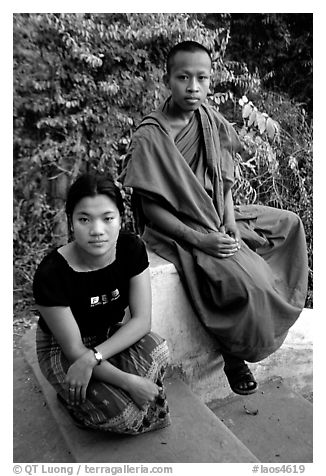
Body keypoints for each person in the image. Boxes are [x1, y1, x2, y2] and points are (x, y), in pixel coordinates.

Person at [122, 41, 308, 396]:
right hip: (177, 229)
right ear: (167, 80)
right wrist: (203, 240)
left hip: (216, 215)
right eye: (183, 77)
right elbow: (150, 211)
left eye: (201, 78)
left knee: (288, 225)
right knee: (245, 282)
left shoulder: (209, 120)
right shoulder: (151, 137)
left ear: (211, 82)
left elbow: (223, 181)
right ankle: (233, 355)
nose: (192, 87)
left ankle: (272, 301)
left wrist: (231, 223)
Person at [33, 172, 171, 434]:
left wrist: (94, 357)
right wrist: (130, 382)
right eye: (84, 219)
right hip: (62, 349)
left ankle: (105, 388)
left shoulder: (131, 249)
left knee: (159, 349)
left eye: (107, 218)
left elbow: (142, 321)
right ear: (71, 222)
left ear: (120, 218)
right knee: (126, 416)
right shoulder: (52, 273)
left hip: (107, 337)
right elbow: (75, 350)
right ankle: (72, 402)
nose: (97, 230)